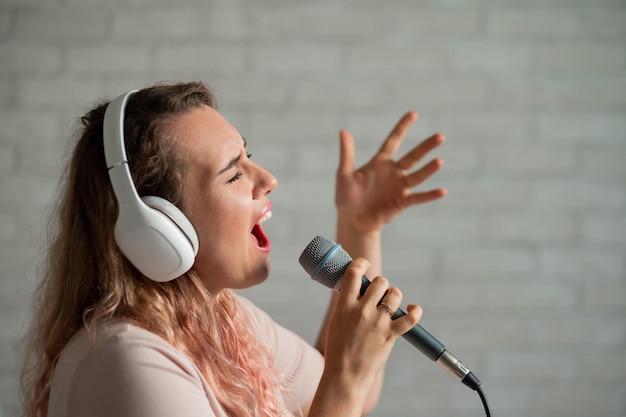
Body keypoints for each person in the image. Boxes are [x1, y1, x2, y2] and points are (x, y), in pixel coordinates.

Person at [20, 81, 446, 417]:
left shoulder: (225, 320)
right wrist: (347, 377)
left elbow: (339, 393)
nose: (268, 178)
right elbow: (344, 388)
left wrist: (359, 227)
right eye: (232, 174)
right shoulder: (126, 360)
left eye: (250, 156)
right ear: (157, 227)